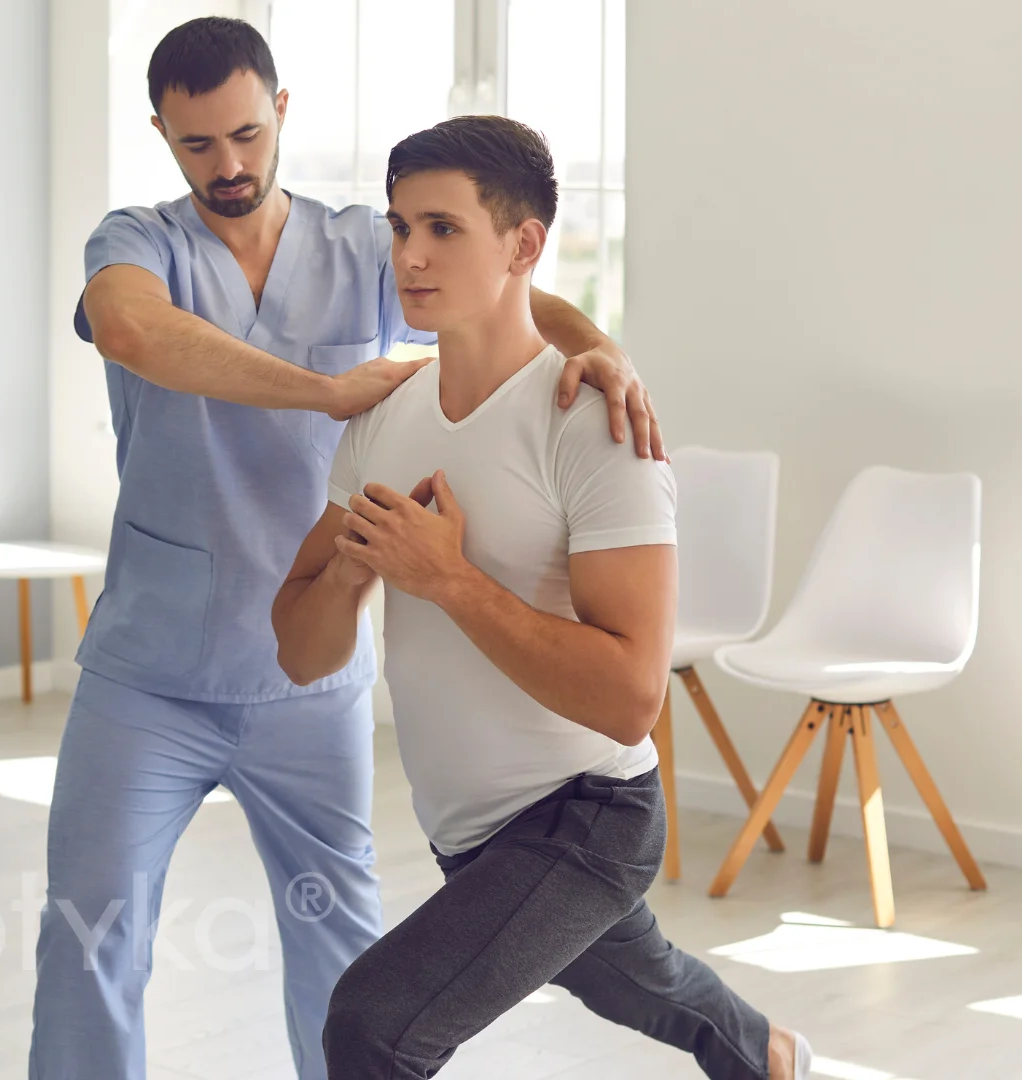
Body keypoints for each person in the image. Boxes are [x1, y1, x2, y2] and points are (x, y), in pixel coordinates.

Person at [30, 18, 663, 1080]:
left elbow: (512, 288)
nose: (227, 166)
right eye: (197, 147)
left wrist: (603, 351)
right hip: (149, 677)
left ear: (282, 110)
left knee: (340, 948)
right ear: (160, 135)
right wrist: (324, 389)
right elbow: (134, 331)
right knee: (91, 935)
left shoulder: (361, 243)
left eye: (244, 134)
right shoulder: (138, 241)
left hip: (308, 685)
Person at [272, 116, 812, 1080]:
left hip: (587, 813)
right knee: (644, 982)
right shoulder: (384, 419)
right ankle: (765, 1056)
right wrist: (359, 566)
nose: (411, 255)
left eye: (442, 228)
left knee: (373, 1025)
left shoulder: (595, 425)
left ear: (524, 245)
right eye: (400, 229)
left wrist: (447, 579)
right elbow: (301, 650)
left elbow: (631, 696)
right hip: (467, 831)